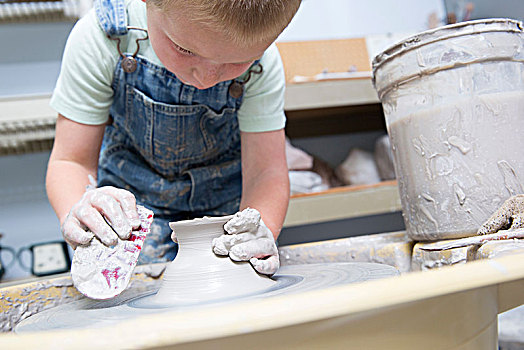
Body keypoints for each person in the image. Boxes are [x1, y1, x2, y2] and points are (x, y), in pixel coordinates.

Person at [46, 0, 301, 275]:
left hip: (227, 211)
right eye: (185, 49)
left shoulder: (263, 65)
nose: (206, 78)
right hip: (128, 212)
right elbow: (71, 162)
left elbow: (266, 173)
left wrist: (259, 231)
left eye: (237, 61)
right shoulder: (103, 39)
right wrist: (79, 209)